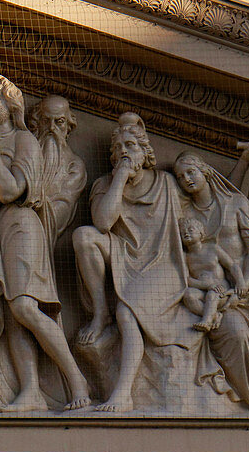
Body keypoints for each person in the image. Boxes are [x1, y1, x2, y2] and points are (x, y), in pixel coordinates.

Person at [0, 75, 90, 412]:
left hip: (21, 226)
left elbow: (9, 191)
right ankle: (31, 390)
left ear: (9, 107)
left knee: (23, 306)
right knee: (12, 312)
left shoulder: (24, 140)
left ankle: (76, 380)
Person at [72, 112, 189, 412]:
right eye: (119, 147)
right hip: (124, 256)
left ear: (145, 151)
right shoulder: (105, 185)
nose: (124, 151)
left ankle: (123, 395)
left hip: (163, 265)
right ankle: (100, 315)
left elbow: (209, 212)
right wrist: (121, 178)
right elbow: (102, 222)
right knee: (84, 237)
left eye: (131, 146)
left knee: (128, 312)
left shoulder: (166, 183)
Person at [174, 151, 249, 413]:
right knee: (237, 334)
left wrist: (243, 286)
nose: (187, 179)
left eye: (191, 172)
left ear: (205, 171)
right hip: (218, 298)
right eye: (180, 177)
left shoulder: (237, 203)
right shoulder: (183, 215)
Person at [26, 95, 87, 248]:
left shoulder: (75, 167)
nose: (52, 128)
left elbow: (60, 212)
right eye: (46, 121)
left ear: (68, 126)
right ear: (37, 123)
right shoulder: (24, 156)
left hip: (35, 236)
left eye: (59, 122)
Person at [178, 215, 244, 333]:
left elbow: (232, 266)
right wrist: (207, 285)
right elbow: (187, 280)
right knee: (188, 295)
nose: (186, 233)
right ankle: (215, 316)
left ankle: (207, 321)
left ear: (201, 234)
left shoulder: (213, 249)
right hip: (202, 289)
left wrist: (241, 282)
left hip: (220, 288)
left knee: (213, 294)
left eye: (190, 230)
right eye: (183, 232)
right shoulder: (185, 257)